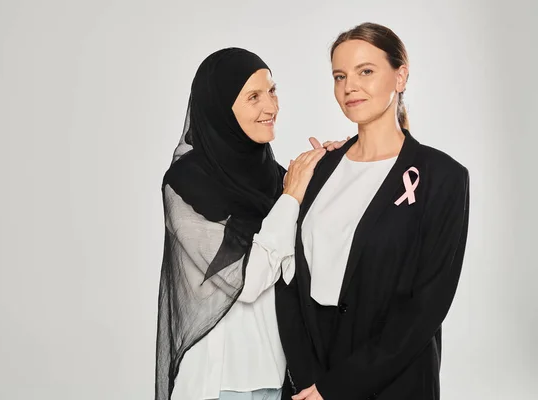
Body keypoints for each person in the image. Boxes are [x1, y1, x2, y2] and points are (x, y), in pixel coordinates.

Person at [275, 22, 470, 400]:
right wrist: (307, 378)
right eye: (339, 76)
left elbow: (428, 306)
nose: (349, 86)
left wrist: (336, 388)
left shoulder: (441, 176)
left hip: (392, 381)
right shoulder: (318, 170)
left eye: (366, 71)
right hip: (309, 378)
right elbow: (287, 278)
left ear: (400, 77)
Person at [154, 47, 345, 400]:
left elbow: (312, 263)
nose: (271, 107)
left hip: (275, 378)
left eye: (272, 91)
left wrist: (339, 167)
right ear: (221, 107)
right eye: (253, 96)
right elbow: (248, 280)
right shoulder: (186, 183)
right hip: (219, 383)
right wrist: (293, 196)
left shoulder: (274, 179)